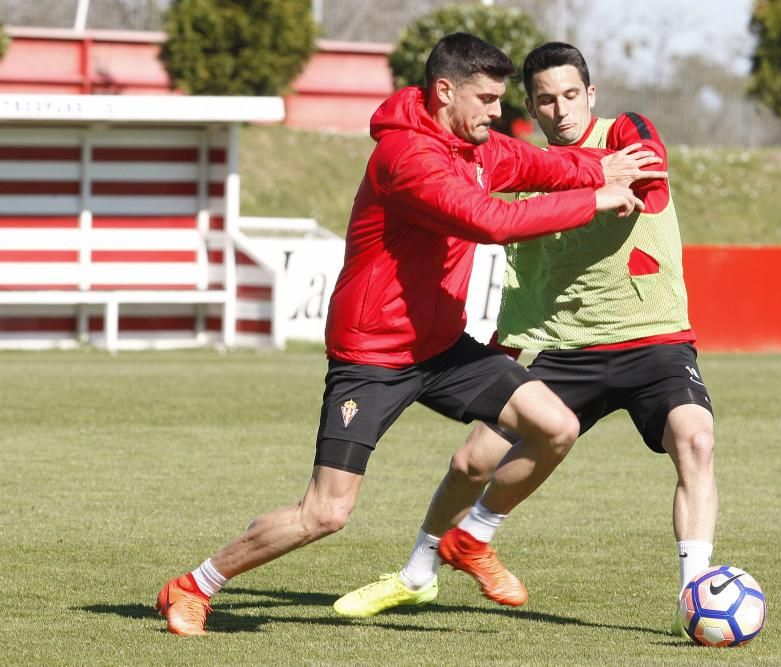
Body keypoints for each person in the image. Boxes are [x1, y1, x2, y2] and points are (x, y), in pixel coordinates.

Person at [154, 33, 665, 636]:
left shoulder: (474, 145)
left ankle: (472, 538)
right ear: (445, 92)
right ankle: (195, 584)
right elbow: (489, 221)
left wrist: (609, 163)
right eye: (488, 99)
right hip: (373, 356)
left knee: (556, 426)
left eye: (502, 100)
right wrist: (597, 197)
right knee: (326, 512)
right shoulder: (406, 159)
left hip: (443, 348)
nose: (499, 114)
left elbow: (541, 164)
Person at [332, 42, 718, 638]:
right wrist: (505, 351)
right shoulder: (521, 174)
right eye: (545, 100)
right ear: (532, 110)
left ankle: (696, 593)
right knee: (472, 459)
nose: (561, 110)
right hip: (565, 347)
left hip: (653, 340)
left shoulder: (625, 132)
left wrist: (611, 185)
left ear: (590, 94)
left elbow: (653, 178)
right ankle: (417, 574)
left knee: (694, 441)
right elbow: (522, 270)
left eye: (570, 95)